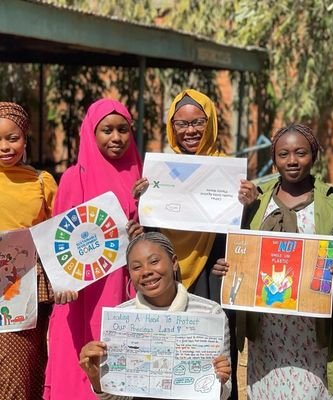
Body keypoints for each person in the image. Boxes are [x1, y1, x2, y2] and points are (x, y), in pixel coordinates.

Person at [132, 89, 255, 399]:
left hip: (213, 276)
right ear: (171, 127)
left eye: (198, 122)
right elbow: (150, 230)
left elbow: (245, 236)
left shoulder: (229, 173)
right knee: (167, 356)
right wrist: (142, 202)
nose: (190, 131)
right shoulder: (159, 173)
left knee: (215, 358)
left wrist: (248, 205)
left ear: (211, 123)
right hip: (167, 277)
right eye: (181, 124)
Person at [213, 124, 333, 399]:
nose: (292, 161)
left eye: (300, 153)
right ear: (273, 159)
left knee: (312, 389)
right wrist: (227, 268)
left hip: (313, 327)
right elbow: (239, 246)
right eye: (283, 154)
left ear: (314, 155)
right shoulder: (255, 198)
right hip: (267, 324)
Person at [44, 99, 143, 399]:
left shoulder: (141, 177)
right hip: (82, 295)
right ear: (90, 132)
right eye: (107, 130)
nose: (116, 138)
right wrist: (61, 284)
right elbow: (60, 239)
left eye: (123, 130)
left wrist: (141, 232)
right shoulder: (76, 177)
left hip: (124, 291)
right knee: (78, 372)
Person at [79, 231, 231, 400]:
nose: (146, 271)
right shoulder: (121, 319)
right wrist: (96, 379)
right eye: (137, 267)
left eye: (154, 261)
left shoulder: (210, 313)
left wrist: (220, 381)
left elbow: (223, 394)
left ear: (174, 263)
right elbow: (119, 397)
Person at [0, 102, 57, 399]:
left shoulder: (41, 183)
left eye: (13, 138)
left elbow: (58, 236)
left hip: (22, 295)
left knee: (19, 370)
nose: (5, 146)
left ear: (25, 139)